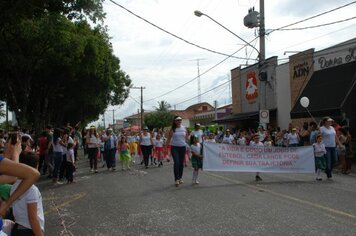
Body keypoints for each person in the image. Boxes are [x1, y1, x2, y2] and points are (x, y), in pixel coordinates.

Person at [10, 151, 44, 236]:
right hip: (28, 231)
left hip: (18, 228)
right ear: (35, 168)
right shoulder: (32, 189)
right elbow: (32, 218)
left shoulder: (14, 186)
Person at [166, 116, 188, 187]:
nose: (179, 121)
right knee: (177, 162)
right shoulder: (172, 129)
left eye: (180, 120)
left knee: (181, 163)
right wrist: (166, 149)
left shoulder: (184, 128)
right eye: (177, 120)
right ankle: (176, 179)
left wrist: (197, 137)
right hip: (174, 147)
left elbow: (187, 138)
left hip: (182, 147)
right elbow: (168, 139)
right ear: (175, 121)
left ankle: (180, 177)